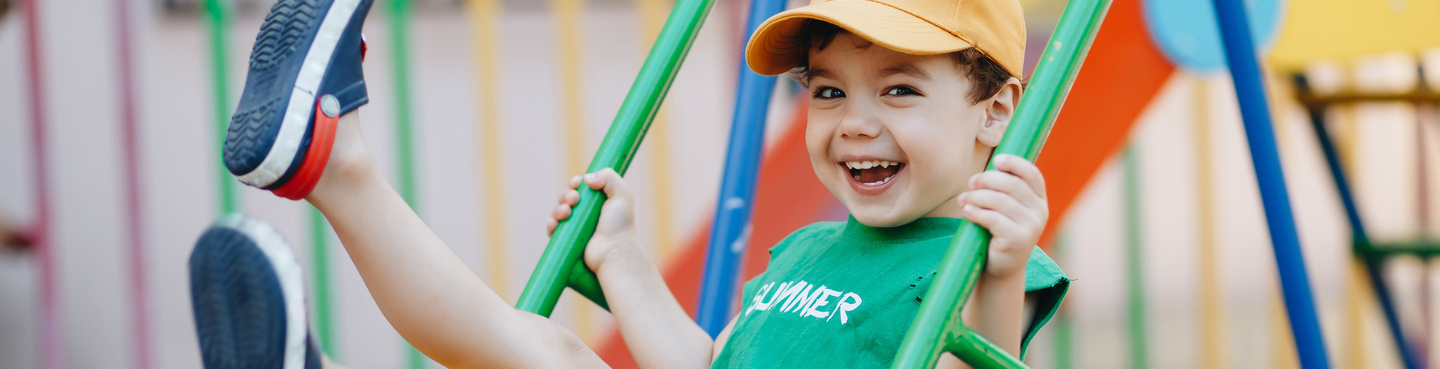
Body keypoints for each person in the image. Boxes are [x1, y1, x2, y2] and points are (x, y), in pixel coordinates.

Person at [188, 0, 1070, 367]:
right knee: (554, 349)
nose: (854, 122)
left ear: (995, 111)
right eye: (827, 89)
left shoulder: (983, 256)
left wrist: (998, 269)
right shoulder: (810, 250)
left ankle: (340, 164)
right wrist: (623, 263)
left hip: (983, 260)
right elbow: (702, 359)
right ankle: (336, 166)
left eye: (901, 90)